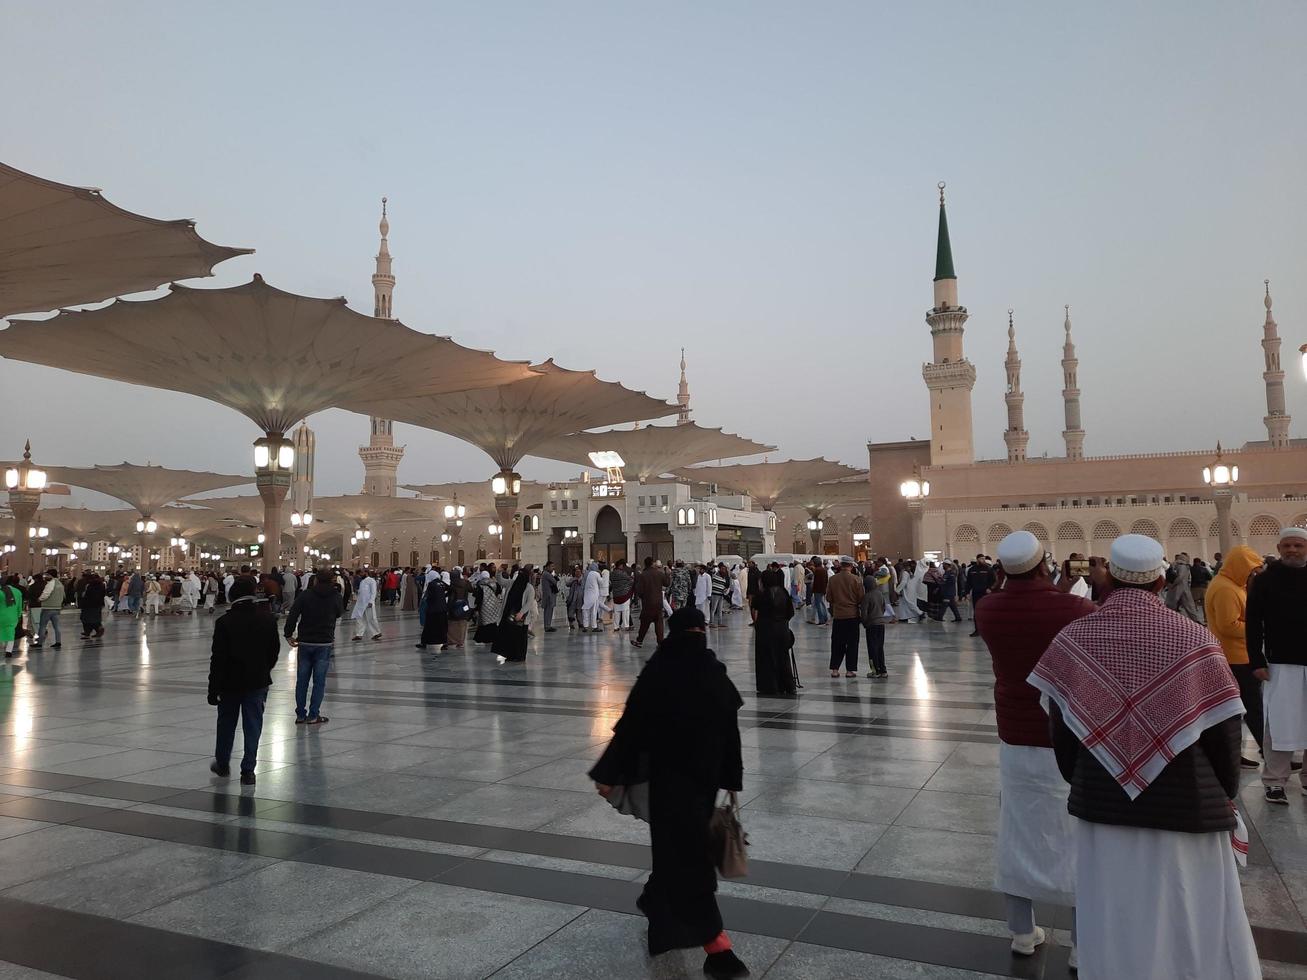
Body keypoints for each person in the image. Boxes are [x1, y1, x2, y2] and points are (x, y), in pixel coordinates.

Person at [1029, 534, 1258, 980]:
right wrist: (1225, 792)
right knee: (1187, 912)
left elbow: (1062, 729)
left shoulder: (1075, 639)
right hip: (1189, 804)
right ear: (1161, 580)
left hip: (1102, 802)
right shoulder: (1195, 640)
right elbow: (1224, 729)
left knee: (1115, 911)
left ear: (1109, 578)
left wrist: (1080, 778)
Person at [589, 608, 748, 979]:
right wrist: (730, 777)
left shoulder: (661, 670)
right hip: (688, 783)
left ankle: (689, 931)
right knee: (686, 857)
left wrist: (609, 773)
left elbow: (632, 727)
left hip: (680, 782)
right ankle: (702, 941)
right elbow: (729, 730)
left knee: (680, 856)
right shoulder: (712, 672)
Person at [974, 530, 1095, 959]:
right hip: (1067, 736)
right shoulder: (1076, 607)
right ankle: (1083, 945)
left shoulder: (987, 609)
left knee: (1018, 829)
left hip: (1014, 734)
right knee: (1077, 836)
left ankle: (1022, 933)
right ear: (1046, 564)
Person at [1248, 526, 1307, 803]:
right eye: (1288, 546)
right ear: (1280, 548)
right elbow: (1253, 623)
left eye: (1298, 545)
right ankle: (1274, 780)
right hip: (1279, 663)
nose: (1293, 550)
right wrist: (1256, 660)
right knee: (1278, 723)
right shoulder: (1265, 580)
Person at [207, 576, 280, 785]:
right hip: (257, 681)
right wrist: (264, 669)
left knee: (226, 723)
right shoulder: (267, 619)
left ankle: (222, 763)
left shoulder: (225, 622)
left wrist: (213, 688)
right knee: (253, 724)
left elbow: (218, 658)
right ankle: (248, 770)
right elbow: (274, 651)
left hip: (229, 682)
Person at [1205, 545, 1265, 769]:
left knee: (1244, 709)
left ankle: (1256, 751)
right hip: (1235, 658)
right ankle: (1265, 751)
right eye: (1252, 571)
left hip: (1239, 654)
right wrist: (1259, 627)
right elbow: (1228, 626)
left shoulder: (1232, 585)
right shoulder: (1225, 589)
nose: (1253, 575)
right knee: (1251, 708)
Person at [283, 566, 344, 726]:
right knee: (319, 681)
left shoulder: (306, 595)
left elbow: (294, 614)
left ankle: (300, 714)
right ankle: (313, 715)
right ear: (332, 580)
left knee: (302, 680)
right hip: (324, 642)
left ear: (316, 579)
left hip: (305, 641)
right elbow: (339, 612)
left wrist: (288, 634)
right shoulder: (335, 595)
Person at [753, 579, 797, 696]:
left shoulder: (762, 594)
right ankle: (788, 686)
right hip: (782, 630)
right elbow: (790, 612)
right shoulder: (783, 592)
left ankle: (771, 686)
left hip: (766, 631)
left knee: (768, 659)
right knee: (783, 657)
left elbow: (755, 609)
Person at [825, 559, 864, 677]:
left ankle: (835, 670)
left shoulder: (833, 579)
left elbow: (828, 598)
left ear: (841, 566)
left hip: (838, 615)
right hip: (852, 615)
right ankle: (850, 670)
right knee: (852, 643)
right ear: (851, 566)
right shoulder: (856, 579)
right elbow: (861, 598)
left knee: (837, 643)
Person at [494, 566, 533, 663]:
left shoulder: (529, 588)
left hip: (520, 617)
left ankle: (519, 656)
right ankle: (509, 655)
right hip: (509, 614)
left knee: (520, 637)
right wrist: (499, 573)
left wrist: (521, 612)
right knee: (509, 636)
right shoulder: (511, 583)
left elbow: (529, 602)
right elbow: (501, 581)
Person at [632, 557, 668, 649]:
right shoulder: (659, 573)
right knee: (659, 623)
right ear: (652, 563)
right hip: (658, 602)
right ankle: (660, 643)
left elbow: (639, 590)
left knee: (644, 623)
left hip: (648, 603)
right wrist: (667, 574)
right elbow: (667, 583)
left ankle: (639, 641)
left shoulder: (643, 575)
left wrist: (643, 597)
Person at [859, 575, 889, 679]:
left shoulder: (867, 596)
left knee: (872, 648)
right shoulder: (880, 594)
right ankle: (883, 670)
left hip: (871, 624)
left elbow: (864, 612)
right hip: (881, 623)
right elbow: (884, 607)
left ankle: (875, 671)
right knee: (880, 647)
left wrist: (865, 623)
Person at [31, 568, 64, 650]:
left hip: (48, 608)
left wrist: (40, 599)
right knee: (56, 626)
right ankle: (58, 641)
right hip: (57, 608)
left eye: (47, 575)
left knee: (42, 626)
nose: (46, 576)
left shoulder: (51, 583)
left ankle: (39, 643)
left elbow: (46, 594)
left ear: (51, 575)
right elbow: (63, 595)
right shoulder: (60, 584)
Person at [416, 572, 449, 651]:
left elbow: (429, 596)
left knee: (428, 626)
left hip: (433, 609)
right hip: (443, 608)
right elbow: (450, 589)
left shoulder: (432, 584)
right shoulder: (442, 583)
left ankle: (425, 642)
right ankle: (444, 642)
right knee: (442, 626)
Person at [351, 569, 382, 641]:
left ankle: (377, 633)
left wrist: (371, 601)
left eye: (362, 573)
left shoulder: (371, 581)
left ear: (366, 573)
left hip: (368, 603)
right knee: (359, 618)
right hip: (360, 603)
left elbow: (374, 592)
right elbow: (363, 591)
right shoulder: (362, 581)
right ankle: (359, 634)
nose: (360, 574)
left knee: (371, 618)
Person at [444, 567, 471, 648]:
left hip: (453, 606)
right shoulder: (465, 583)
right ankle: (461, 642)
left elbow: (448, 594)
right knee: (462, 623)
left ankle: (451, 640)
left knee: (452, 624)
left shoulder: (452, 584)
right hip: (464, 605)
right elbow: (471, 590)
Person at [0, 575, 24, 658]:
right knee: (10, 633)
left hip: (1, 616)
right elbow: (20, 605)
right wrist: (19, 615)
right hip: (12, 616)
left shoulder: (0, 592)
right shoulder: (18, 592)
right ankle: (8, 651)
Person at [78, 571, 106, 639]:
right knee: (95, 619)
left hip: (88, 605)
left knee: (86, 620)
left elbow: (86, 595)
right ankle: (98, 629)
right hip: (98, 605)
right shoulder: (101, 585)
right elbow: (103, 594)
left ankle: (88, 633)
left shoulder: (90, 585)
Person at [609, 559, 634, 632]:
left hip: (616, 595)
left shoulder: (612, 573)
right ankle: (626, 626)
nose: (623, 567)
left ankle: (616, 627)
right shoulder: (622, 573)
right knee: (625, 611)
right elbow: (630, 580)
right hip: (624, 595)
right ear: (620, 565)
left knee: (617, 612)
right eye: (622, 565)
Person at [581, 562, 602, 631]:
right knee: (594, 611)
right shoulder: (596, 574)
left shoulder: (586, 573)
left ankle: (585, 626)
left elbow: (582, 584)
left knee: (586, 610)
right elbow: (601, 583)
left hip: (586, 594)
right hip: (594, 595)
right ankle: (594, 626)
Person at [539, 561, 560, 632]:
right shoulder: (546, 574)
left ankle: (548, 625)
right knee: (548, 611)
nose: (553, 568)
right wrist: (554, 576)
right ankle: (547, 626)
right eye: (551, 566)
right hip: (548, 595)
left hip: (549, 595)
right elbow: (554, 581)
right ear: (547, 567)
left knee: (549, 611)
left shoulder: (547, 574)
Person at [809, 558, 829, 626]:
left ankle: (821, 620)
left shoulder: (817, 570)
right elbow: (826, 580)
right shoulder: (824, 570)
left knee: (818, 605)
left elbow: (815, 582)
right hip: (823, 589)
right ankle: (825, 618)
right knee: (822, 604)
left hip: (817, 590)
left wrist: (813, 590)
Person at [709, 563, 730, 628]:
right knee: (713, 609)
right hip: (715, 594)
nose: (724, 570)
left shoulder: (723, 577)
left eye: (724, 569)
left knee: (720, 609)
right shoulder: (715, 575)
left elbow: (723, 585)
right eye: (722, 569)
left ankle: (720, 623)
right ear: (720, 569)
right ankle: (711, 623)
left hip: (721, 594)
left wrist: (725, 589)